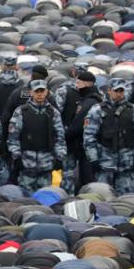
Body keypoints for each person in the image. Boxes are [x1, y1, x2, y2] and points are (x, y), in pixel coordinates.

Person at [83, 78, 134, 194]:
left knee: (126, 196)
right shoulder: (97, 110)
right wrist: (93, 159)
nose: (119, 94)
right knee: (103, 195)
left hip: (126, 162)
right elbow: (89, 136)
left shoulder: (133, 110)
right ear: (109, 90)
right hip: (104, 162)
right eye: (116, 91)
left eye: (121, 91)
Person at [7, 80, 66, 194]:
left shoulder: (53, 112)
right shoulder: (21, 112)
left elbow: (60, 137)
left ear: (47, 92)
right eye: (37, 91)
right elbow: (13, 137)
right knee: (26, 197)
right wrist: (17, 157)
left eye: (42, 91)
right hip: (26, 163)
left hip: (47, 162)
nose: (39, 94)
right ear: (31, 92)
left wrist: (59, 157)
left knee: (45, 196)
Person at [54, 63, 100, 193]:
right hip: (82, 143)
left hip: (75, 140)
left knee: (72, 175)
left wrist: (61, 136)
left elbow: (58, 114)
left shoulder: (66, 91)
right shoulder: (97, 95)